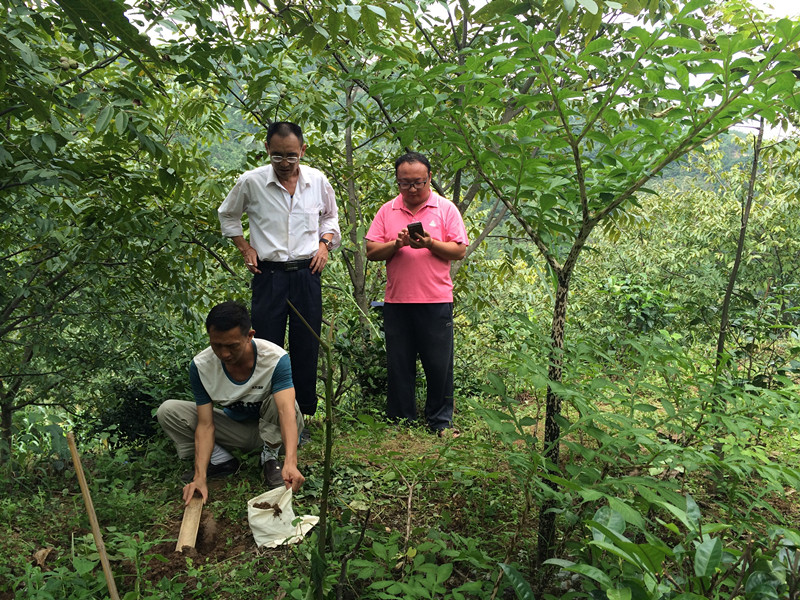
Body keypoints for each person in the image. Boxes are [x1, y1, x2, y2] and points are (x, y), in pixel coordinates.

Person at [218, 122, 340, 419]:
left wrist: (324, 245)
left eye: (291, 156)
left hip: (307, 273)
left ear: (302, 150)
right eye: (277, 156)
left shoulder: (317, 181)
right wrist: (245, 249)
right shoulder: (252, 181)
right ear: (266, 150)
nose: (284, 164)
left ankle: (302, 415)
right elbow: (227, 215)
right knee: (265, 346)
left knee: (306, 344)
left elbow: (331, 218)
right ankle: (265, 415)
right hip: (268, 274)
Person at [157, 301, 305, 505]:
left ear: (249, 336)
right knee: (169, 411)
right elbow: (205, 424)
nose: (224, 354)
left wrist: (291, 461)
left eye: (232, 346)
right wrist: (199, 478)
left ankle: (271, 458)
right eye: (216, 345)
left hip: (277, 431)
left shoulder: (275, 358)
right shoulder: (201, 367)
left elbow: (286, 411)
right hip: (242, 433)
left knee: (278, 400)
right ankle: (221, 460)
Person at [364, 152, 468, 435]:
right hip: (397, 301)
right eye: (404, 183)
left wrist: (431, 244)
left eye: (418, 183)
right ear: (397, 181)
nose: (411, 189)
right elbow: (372, 251)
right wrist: (396, 245)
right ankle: (401, 419)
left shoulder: (445, 209)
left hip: (436, 300)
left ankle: (440, 420)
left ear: (429, 178)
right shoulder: (388, 210)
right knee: (399, 362)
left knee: (439, 365)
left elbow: (459, 249)